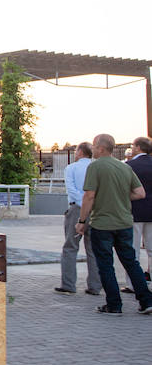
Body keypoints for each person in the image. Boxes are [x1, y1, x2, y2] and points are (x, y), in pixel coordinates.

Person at [75, 133, 152, 315]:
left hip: (103, 224)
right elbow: (140, 193)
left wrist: (82, 221)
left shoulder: (96, 167)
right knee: (131, 262)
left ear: (101, 148)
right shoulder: (124, 167)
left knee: (106, 265)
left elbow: (89, 196)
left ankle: (114, 305)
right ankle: (146, 300)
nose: (92, 149)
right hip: (124, 222)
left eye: (94, 146)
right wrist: (121, 197)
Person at [55, 142, 101, 295]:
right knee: (93, 249)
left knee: (70, 246)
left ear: (80, 152)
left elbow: (71, 189)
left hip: (76, 209)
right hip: (96, 209)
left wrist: (83, 206)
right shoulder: (97, 167)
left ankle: (68, 284)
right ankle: (95, 286)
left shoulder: (71, 168)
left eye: (76, 150)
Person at [125, 136, 152, 282]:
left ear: (139, 147)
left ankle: (132, 283)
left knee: (133, 250)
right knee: (151, 249)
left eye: (133, 145)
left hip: (134, 211)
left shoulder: (130, 165)